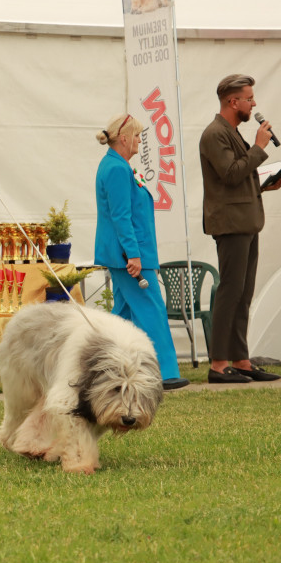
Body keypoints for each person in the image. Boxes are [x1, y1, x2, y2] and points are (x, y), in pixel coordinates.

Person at [199, 74, 281, 384]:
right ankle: (219, 364)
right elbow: (230, 173)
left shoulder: (232, 133)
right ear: (232, 102)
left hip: (246, 221)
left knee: (243, 293)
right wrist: (260, 147)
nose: (254, 104)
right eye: (249, 99)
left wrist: (266, 186)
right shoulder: (215, 134)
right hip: (231, 225)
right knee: (230, 292)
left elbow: (241, 180)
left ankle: (241, 360)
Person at [93, 113, 188, 390]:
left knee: (122, 316)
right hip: (129, 257)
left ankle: (104, 367)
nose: (139, 141)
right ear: (123, 138)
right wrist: (133, 255)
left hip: (131, 253)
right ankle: (165, 372)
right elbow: (121, 216)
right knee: (152, 309)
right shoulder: (116, 169)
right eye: (136, 136)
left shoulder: (119, 165)